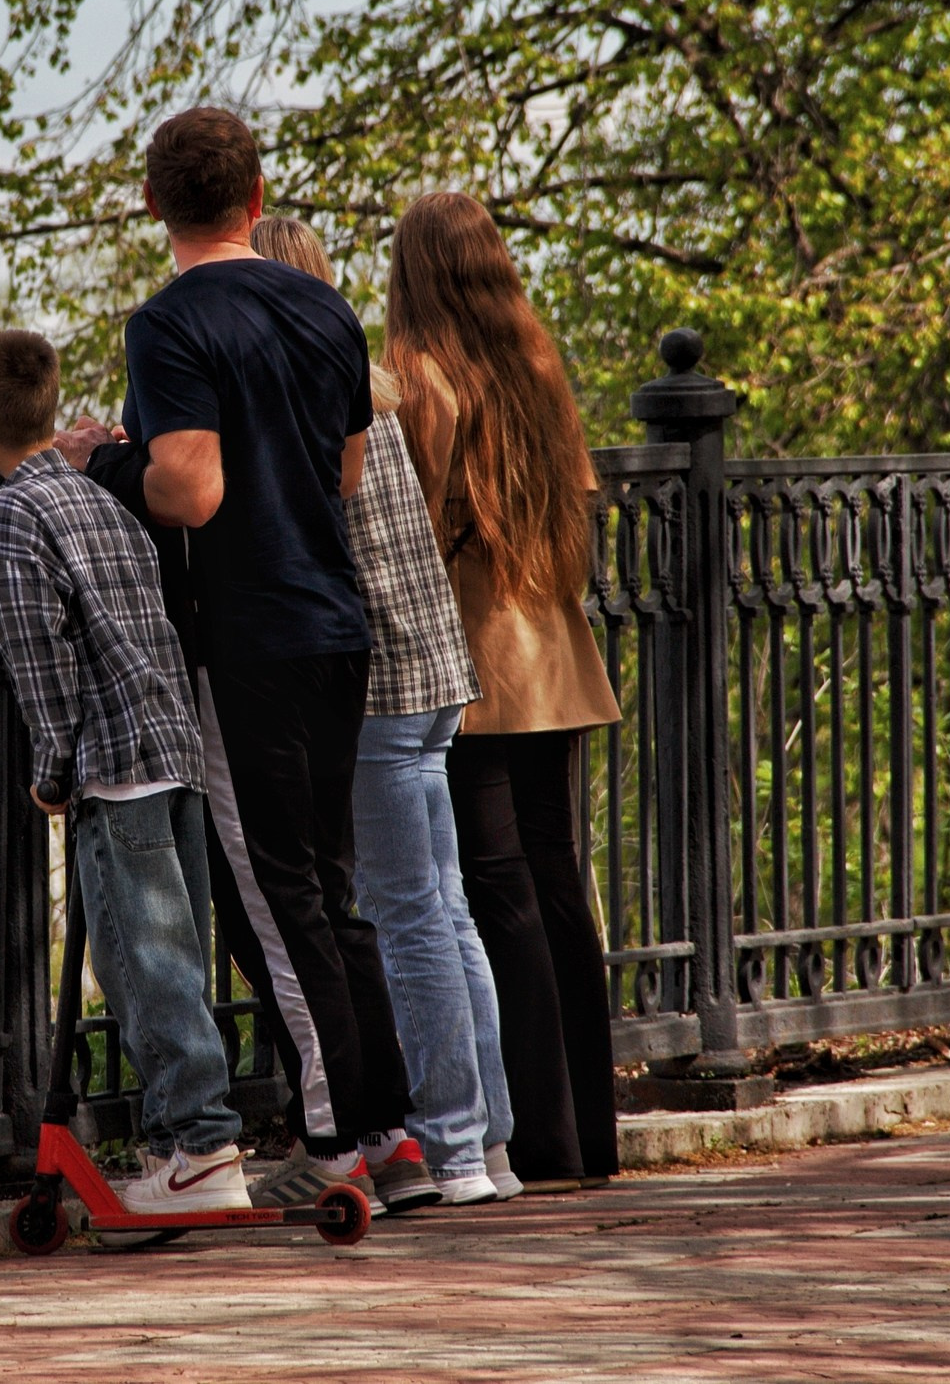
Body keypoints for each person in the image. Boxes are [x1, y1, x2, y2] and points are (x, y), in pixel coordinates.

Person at [61, 107, 417, 1213]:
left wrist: (101, 466)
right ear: (258, 200)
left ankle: (334, 1141)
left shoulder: (168, 325)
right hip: (332, 622)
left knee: (274, 897)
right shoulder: (325, 307)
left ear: (152, 205)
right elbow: (349, 473)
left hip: (244, 636)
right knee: (334, 892)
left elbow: (193, 488)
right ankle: (392, 1133)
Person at [249, 216, 517, 1206]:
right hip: (436, 673)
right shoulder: (367, 380)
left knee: (407, 914)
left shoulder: (304, 392)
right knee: (443, 907)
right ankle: (490, 1138)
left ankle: (448, 1149)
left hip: (380, 688)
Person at [0, 328, 250, 1214]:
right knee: (181, 955)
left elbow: (43, 666)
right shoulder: (100, 501)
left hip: (113, 766)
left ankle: (199, 1145)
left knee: (143, 962)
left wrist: (51, 771)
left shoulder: (10, 520)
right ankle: (190, 1138)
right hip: (173, 744)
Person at [386, 191, 623, 1188]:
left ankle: (533, 1136)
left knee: (494, 891)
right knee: (558, 885)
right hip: (553, 652)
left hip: (473, 659)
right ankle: (588, 1136)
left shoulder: (419, 379)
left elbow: (408, 524)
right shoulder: (537, 364)